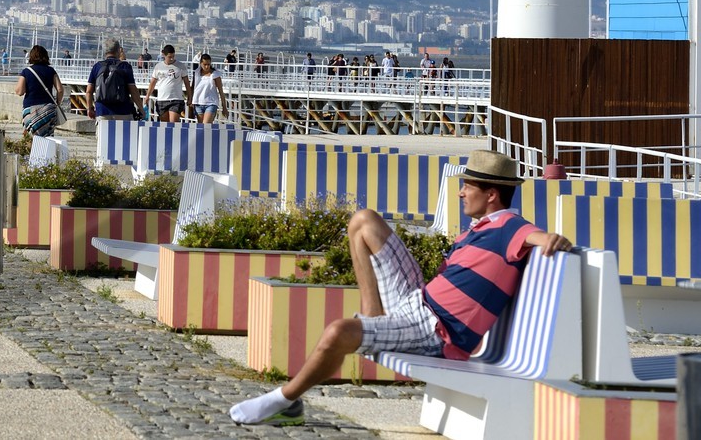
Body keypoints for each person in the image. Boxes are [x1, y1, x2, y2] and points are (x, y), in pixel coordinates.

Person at [229, 149, 572, 426]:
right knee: (363, 221)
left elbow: (534, 236)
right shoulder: (478, 228)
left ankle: (285, 401)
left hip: (435, 331)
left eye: (468, 186)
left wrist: (551, 239)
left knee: (338, 333)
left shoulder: (509, 226)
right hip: (418, 301)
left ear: (492, 194)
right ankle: (373, 314)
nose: (461, 192)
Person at [15, 44, 65, 137]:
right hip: (48, 108)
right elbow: (60, 90)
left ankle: (31, 146)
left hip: (30, 109)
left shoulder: (26, 71)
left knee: (31, 137)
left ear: (31, 56)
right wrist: (57, 102)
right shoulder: (51, 71)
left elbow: (19, 92)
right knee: (47, 137)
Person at [86, 39, 141, 120]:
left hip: (102, 111)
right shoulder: (125, 66)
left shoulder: (97, 67)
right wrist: (141, 109)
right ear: (118, 50)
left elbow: (89, 91)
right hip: (123, 111)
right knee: (125, 129)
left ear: (105, 52)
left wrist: (89, 108)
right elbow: (133, 90)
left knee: (103, 129)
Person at [146, 43, 190, 123]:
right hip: (162, 99)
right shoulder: (158, 67)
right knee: (165, 125)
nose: (172, 59)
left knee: (173, 123)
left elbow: (187, 82)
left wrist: (190, 96)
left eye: (173, 56)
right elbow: (153, 83)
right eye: (169, 57)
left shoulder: (180, 66)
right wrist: (147, 96)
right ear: (164, 55)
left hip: (176, 99)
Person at [190, 52, 226, 124]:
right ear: (200, 63)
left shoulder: (215, 75)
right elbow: (193, 87)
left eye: (208, 64)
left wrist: (224, 107)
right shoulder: (196, 73)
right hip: (198, 103)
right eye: (205, 64)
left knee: (206, 125)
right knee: (201, 126)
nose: (207, 67)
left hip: (211, 103)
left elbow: (221, 91)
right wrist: (190, 100)